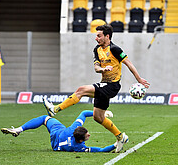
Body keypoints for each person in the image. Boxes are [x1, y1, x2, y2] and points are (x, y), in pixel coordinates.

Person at [43, 24, 150, 152]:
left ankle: (55, 109)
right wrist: (103, 69)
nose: (96, 38)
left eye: (99, 36)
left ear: (107, 36)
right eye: (96, 35)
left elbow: (129, 64)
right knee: (98, 117)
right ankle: (120, 137)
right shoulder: (97, 50)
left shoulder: (115, 49)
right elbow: (96, 68)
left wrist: (138, 79)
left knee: (81, 90)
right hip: (104, 84)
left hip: (112, 86)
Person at [1, 110, 117, 152]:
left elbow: (84, 113)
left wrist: (102, 113)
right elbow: (101, 150)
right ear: (81, 140)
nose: (89, 134)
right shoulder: (79, 148)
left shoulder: (73, 129)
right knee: (45, 119)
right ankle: (52, 109)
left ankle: (19, 129)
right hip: (55, 145)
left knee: (44, 119)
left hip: (58, 133)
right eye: (87, 135)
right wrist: (116, 144)